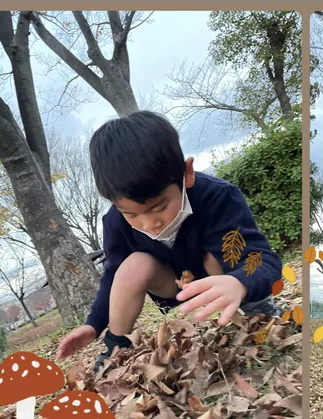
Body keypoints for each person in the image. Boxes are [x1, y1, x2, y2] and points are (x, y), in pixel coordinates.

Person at [56, 111, 283, 371]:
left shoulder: (218, 197)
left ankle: (256, 307)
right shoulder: (115, 223)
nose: (149, 223)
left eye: (159, 206)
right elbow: (113, 276)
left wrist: (241, 283)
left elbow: (263, 259)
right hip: (173, 285)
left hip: (222, 278)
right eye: (131, 214)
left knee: (216, 254)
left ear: (186, 174)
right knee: (132, 265)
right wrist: (93, 324)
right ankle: (114, 348)